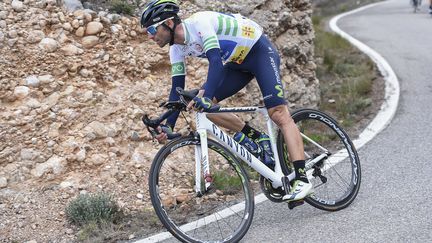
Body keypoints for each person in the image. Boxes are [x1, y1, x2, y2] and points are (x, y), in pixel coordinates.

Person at [140, 0, 312, 201]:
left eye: (152, 29)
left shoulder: (200, 23)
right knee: (205, 108)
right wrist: (167, 125)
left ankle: (302, 179)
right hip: (237, 64)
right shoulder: (176, 49)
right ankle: (257, 138)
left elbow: (216, 63)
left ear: (168, 23)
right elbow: (176, 90)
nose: (150, 36)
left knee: (278, 114)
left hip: (259, 53)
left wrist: (204, 97)